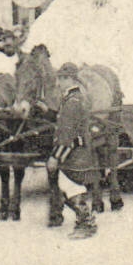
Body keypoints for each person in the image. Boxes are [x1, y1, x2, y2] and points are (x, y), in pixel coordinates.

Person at [48, 62, 101, 239]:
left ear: (71, 79)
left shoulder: (72, 102)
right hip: (78, 151)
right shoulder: (76, 98)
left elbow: (66, 134)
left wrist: (55, 157)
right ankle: (85, 222)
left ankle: (86, 223)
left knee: (70, 186)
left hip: (74, 153)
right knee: (70, 186)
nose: (59, 83)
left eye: (62, 79)